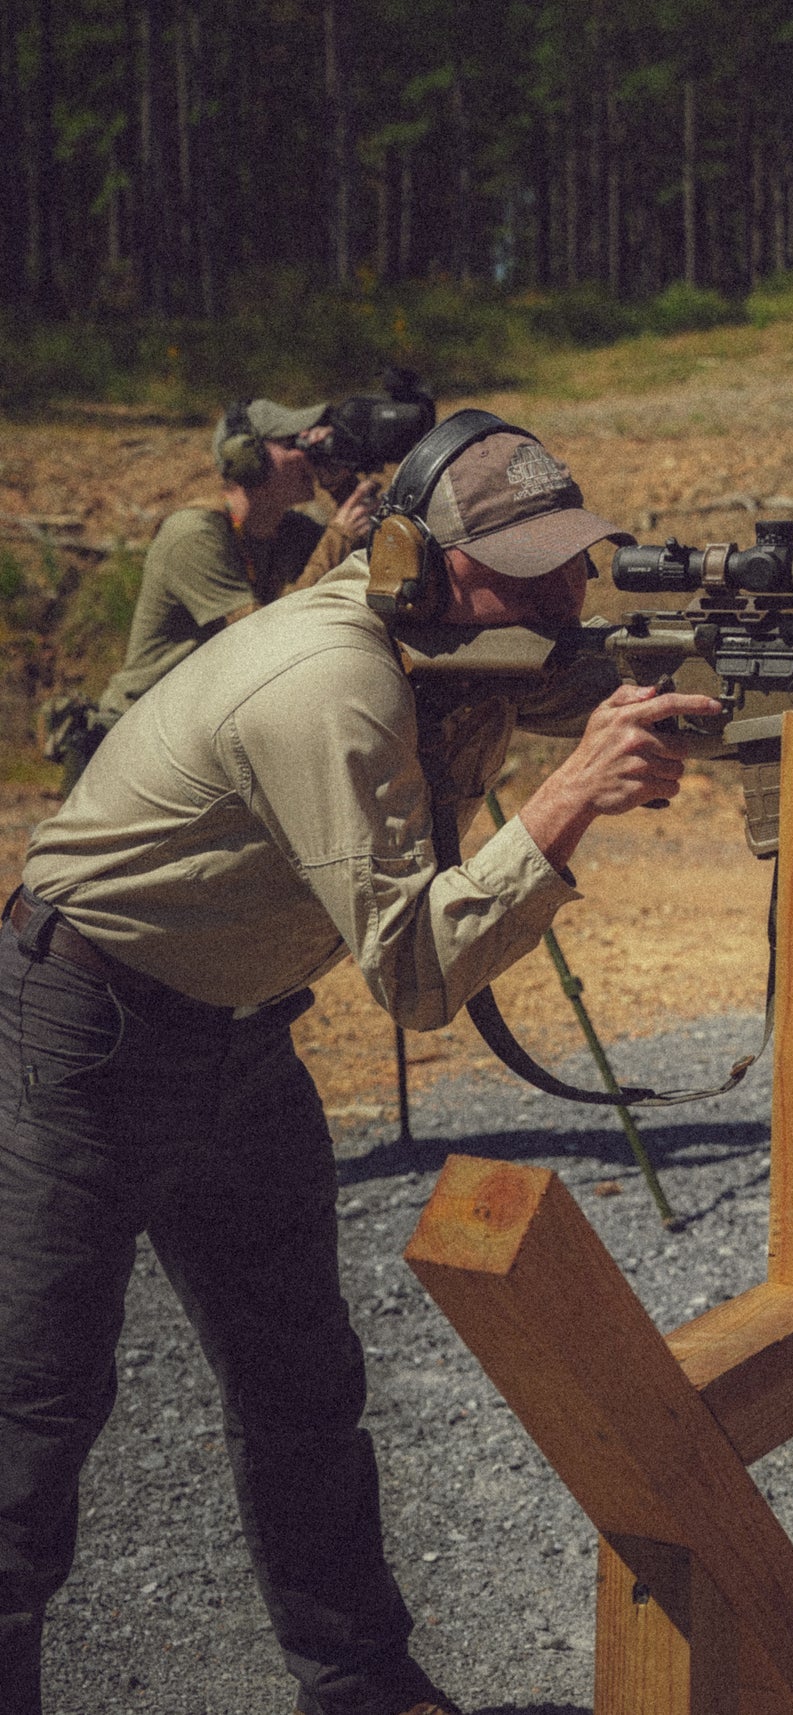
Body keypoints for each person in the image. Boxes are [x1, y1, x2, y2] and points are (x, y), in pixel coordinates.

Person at [0, 413, 722, 1715]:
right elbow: (413, 974)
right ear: (412, 559)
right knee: (32, 1420)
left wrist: (783, 665)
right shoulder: (326, 679)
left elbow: (611, 669)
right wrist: (568, 797)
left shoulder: (462, 640)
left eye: (576, 561)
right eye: (531, 567)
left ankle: (359, 1681)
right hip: (83, 1029)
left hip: (236, 1034)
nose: (571, 590)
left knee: (303, 1388)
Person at [94, 397, 385, 728]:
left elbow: (376, 564)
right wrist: (339, 538)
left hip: (200, 726)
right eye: (294, 444)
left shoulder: (292, 532)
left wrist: (343, 486)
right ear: (249, 458)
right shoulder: (194, 534)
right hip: (134, 731)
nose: (308, 455)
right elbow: (261, 640)